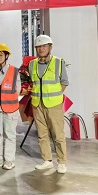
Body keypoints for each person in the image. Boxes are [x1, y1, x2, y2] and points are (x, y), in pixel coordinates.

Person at [29, 34, 69, 174]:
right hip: (37, 104)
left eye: (44, 46)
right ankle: (47, 160)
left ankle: (62, 162)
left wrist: (54, 96)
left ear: (50, 47)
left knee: (58, 134)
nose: (41, 49)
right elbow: (33, 82)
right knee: (42, 134)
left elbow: (64, 83)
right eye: (38, 47)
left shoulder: (58, 62)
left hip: (54, 104)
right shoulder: (32, 64)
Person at [0, 44, 21, 170]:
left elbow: (18, 90)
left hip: (11, 108)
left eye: (1, 55)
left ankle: (9, 160)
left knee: (9, 135)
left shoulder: (14, 71)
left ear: (7, 56)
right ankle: (0, 158)